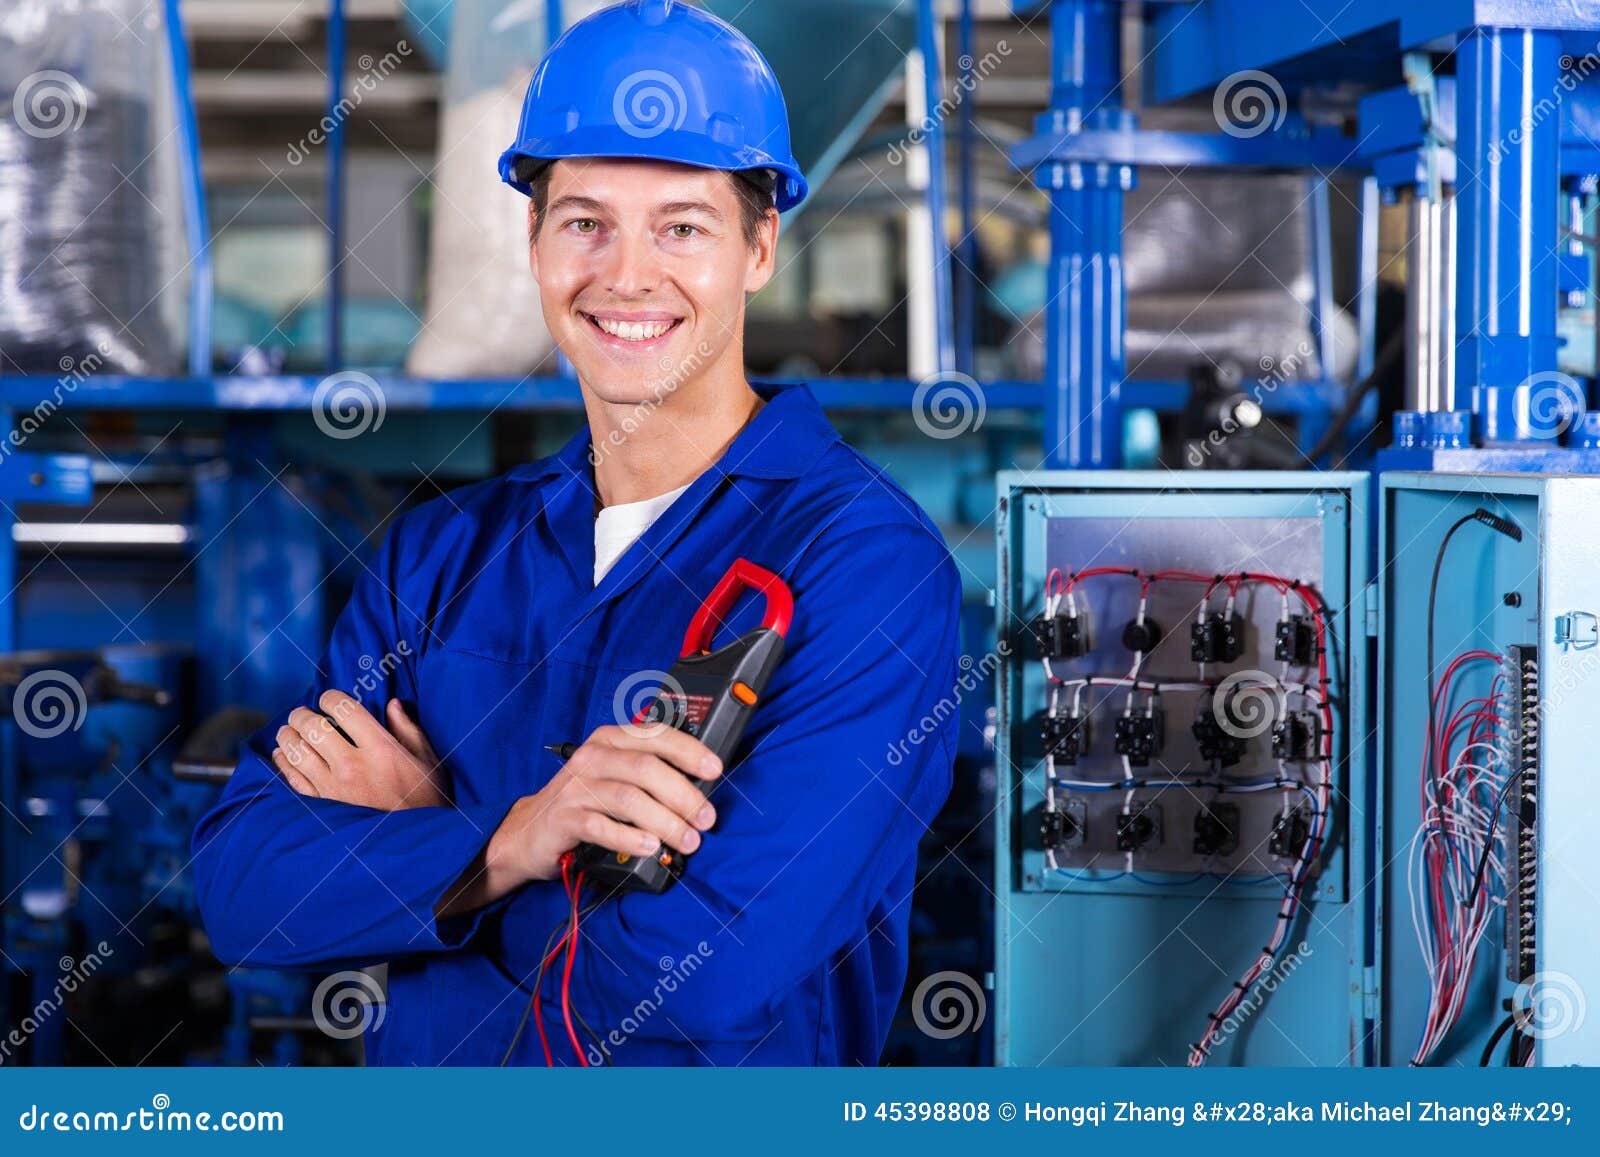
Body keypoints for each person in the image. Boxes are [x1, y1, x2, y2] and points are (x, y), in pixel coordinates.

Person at [191, 0, 961, 1066]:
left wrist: (437, 851)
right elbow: (243, 891)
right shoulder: (441, 554)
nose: (626, 275)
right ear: (535, 239)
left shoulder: (865, 568)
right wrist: (514, 836)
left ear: (760, 245)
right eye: (585, 221)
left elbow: (702, 974)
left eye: (682, 227)